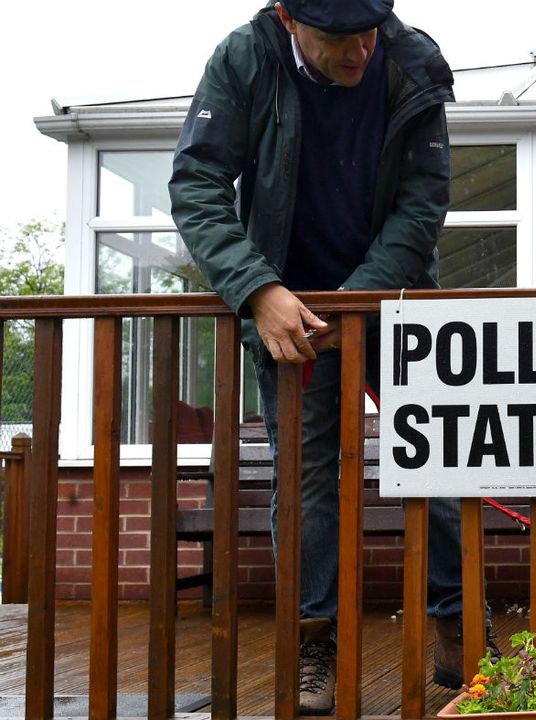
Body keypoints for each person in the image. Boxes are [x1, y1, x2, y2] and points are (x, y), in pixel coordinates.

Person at [170, 0, 474, 712]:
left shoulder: (412, 62)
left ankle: (458, 622)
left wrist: (356, 302)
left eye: (368, 33)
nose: (359, 53)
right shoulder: (244, 58)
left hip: (394, 303)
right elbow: (198, 185)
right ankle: (316, 644)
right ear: (288, 20)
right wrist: (256, 288)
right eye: (338, 40)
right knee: (306, 485)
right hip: (288, 316)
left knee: (436, 463)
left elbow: (422, 204)